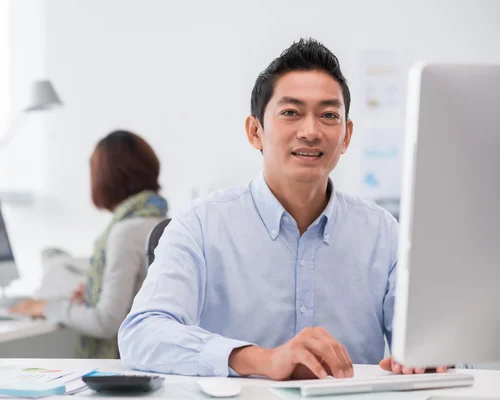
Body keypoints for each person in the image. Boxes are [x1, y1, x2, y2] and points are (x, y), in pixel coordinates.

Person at [118, 38, 446, 379]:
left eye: (328, 115)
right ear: (255, 131)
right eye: (291, 112)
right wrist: (260, 359)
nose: (310, 131)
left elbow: (436, 345)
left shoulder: (383, 231)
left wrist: (432, 358)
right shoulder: (200, 223)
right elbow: (142, 334)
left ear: (346, 136)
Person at [11, 130, 168, 358]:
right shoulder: (160, 220)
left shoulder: (125, 233)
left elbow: (106, 322)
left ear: (106, 177)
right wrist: (96, 290)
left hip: (123, 364)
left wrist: (44, 306)